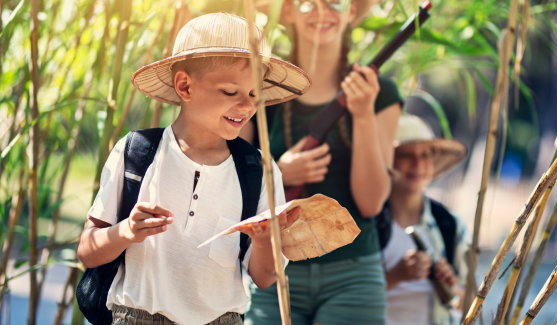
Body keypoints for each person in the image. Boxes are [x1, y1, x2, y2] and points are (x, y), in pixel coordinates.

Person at [77, 13, 311, 325]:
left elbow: (266, 278)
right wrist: (127, 231)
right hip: (136, 317)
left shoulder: (259, 171)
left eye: (255, 94)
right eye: (231, 92)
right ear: (185, 86)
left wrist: (265, 239)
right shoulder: (136, 154)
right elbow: (87, 251)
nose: (247, 106)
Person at [243, 0, 402, 324]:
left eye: (335, 2)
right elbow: (233, 182)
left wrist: (362, 114)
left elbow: (371, 203)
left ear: (353, 11)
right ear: (287, 11)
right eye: (307, 3)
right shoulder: (258, 89)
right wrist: (279, 173)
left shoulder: (381, 93)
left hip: (355, 276)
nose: (322, 12)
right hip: (271, 269)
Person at [381, 114, 469, 325]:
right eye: (405, 155)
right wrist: (396, 275)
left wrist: (448, 285)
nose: (417, 163)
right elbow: (348, 299)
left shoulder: (450, 225)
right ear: (387, 160)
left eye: (425, 155)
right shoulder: (367, 224)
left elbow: (470, 304)